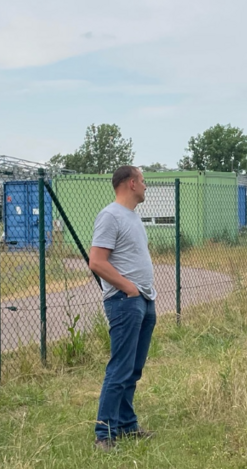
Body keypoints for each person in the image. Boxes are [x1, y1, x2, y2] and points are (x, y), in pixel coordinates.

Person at [88, 165, 157, 450]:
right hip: (125, 302)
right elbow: (97, 261)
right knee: (120, 368)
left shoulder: (133, 218)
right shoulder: (110, 216)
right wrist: (129, 289)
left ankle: (127, 426)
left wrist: (143, 294)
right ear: (130, 183)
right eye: (142, 181)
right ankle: (104, 433)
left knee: (133, 369)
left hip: (144, 301)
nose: (145, 186)